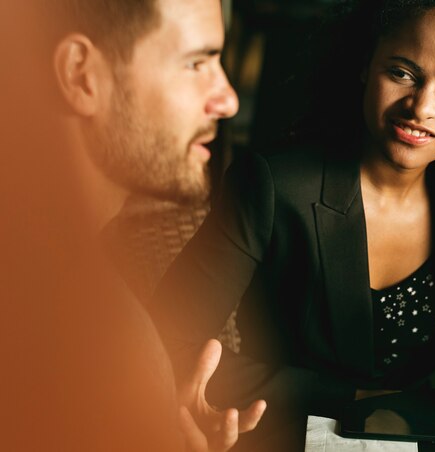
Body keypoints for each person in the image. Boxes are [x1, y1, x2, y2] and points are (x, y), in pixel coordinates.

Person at [149, 0, 435, 449]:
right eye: (402, 73)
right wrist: (359, 399)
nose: (421, 107)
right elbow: (168, 339)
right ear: (366, 64)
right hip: (300, 433)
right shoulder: (271, 185)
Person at [2, 0, 265, 451]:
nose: (227, 99)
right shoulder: (48, 312)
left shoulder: (75, 263)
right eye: (195, 63)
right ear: (81, 75)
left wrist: (157, 419)